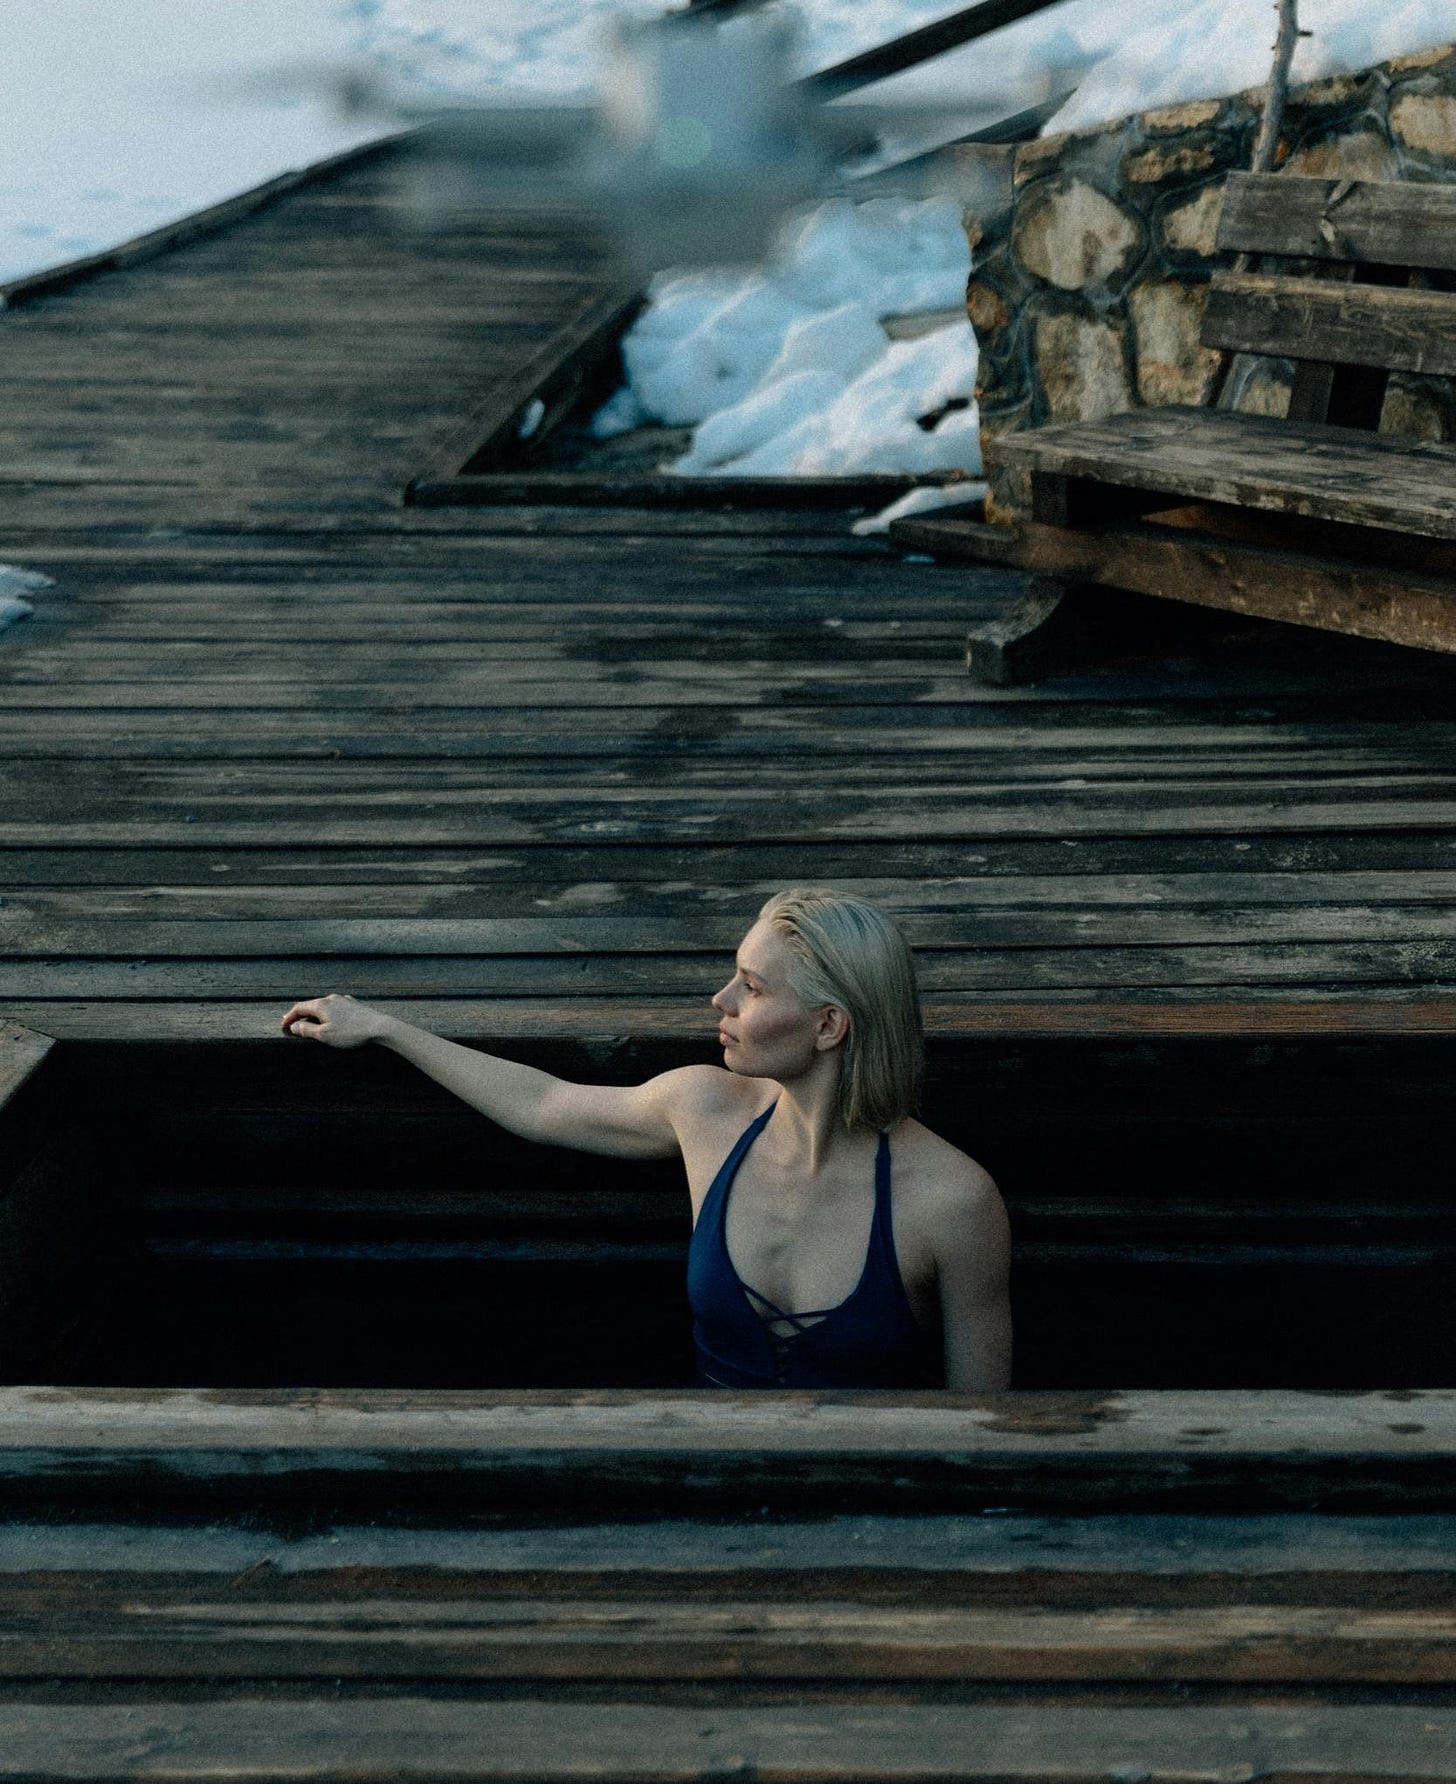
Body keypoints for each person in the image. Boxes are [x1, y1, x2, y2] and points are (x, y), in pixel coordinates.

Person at [280, 887, 1011, 1390]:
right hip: (702, 1490)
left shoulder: (953, 1200)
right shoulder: (706, 1111)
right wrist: (384, 1027)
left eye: (751, 988)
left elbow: (985, 1424)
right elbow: (543, 1103)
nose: (719, 1001)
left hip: (876, 1516)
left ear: (828, 1026)